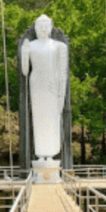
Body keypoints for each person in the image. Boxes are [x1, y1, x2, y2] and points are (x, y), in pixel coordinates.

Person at [20, 14, 69, 161]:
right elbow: (24, 71)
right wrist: (24, 52)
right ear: (35, 28)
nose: (42, 29)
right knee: (39, 119)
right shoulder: (31, 46)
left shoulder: (59, 46)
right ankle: (40, 154)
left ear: (50, 27)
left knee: (53, 118)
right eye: (39, 26)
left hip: (52, 85)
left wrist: (60, 90)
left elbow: (62, 71)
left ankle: (52, 153)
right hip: (37, 84)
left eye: (45, 26)